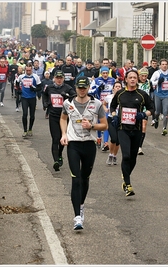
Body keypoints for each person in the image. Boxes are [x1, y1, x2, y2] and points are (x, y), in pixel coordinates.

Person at [59, 76, 108, 230]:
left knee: (85, 178)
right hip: (73, 144)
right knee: (76, 179)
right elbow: (63, 118)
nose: (81, 90)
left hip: (89, 144)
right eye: (79, 88)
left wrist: (92, 126)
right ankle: (77, 218)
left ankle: (81, 205)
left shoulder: (96, 104)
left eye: (84, 88)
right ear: (75, 88)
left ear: (88, 88)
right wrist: (64, 134)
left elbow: (105, 125)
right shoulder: (68, 103)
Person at [110, 69, 154, 196]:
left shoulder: (141, 94)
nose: (133, 79)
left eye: (135, 77)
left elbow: (152, 108)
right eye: (131, 77)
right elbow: (112, 106)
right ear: (126, 79)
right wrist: (114, 116)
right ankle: (128, 184)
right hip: (123, 129)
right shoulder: (120, 93)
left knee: (133, 158)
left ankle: (126, 175)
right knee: (127, 156)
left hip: (137, 129)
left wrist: (144, 114)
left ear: (138, 79)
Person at [43, 70, 76, 171]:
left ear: (63, 79)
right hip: (53, 116)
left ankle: (60, 154)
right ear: (54, 78)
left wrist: (67, 96)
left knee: (63, 138)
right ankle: (56, 160)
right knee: (55, 138)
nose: (59, 80)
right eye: (57, 78)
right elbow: (44, 94)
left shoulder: (67, 88)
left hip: (64, 117)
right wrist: (45, 103)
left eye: (60, 78)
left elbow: (75, 97)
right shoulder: (49, 88)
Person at [89, 66, 116, 150]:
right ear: (101, 73)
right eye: (103, 73)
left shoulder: (112, 80)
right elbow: (90, 91)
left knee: (106, 123)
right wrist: (98, 88)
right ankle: (99, 138)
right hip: (98, 103)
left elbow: (116, 89)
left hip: (107, 104)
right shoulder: (96, 80)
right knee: (98, 122)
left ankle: (106, 142)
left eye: (106, 73)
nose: (105, 75)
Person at [17, 64, 42, 137]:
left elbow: (40, 87)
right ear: (25, 70)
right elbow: (17, 83)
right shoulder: (21, 76)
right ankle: (25, 130)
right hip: (24, 97)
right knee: (24, 114)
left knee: (32, 115)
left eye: (29, 70)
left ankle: (30, 129)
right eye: (27, 70)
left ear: (32, 70)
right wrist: (18, 90)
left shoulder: (35, 77)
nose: (28, 72)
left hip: (32, 98)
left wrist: (34, 89)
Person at [150, 59, 168, 136]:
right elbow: (151, 81)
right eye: (163, 64)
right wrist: (158, 82)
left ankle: (164, 128)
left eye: (166, 64)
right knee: (157, 111)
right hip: (158, 94)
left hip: (166, 95)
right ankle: (155, 119)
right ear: (160, 65)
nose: (164, 66)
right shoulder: (157, 73)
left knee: (165, 112)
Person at [102, 81, 122, 165]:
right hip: (111, 119)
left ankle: (114, 156)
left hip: (121, 120)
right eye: (116, 86)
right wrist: (105, 109)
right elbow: (103, 104)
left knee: (118, 141)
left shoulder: (123, 97)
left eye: (119, 86)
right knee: (113, 138)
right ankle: (110, 154)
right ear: (113, 88)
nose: (117, 88)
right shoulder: (109, 97)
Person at [137, 67, 151, 155]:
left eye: (145, 76)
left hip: (145, 108)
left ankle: (139, 147)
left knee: (143, 126)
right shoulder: (135, 83)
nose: (144, 78)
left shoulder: (149, 83)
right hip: (135, 107)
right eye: (142, 76)